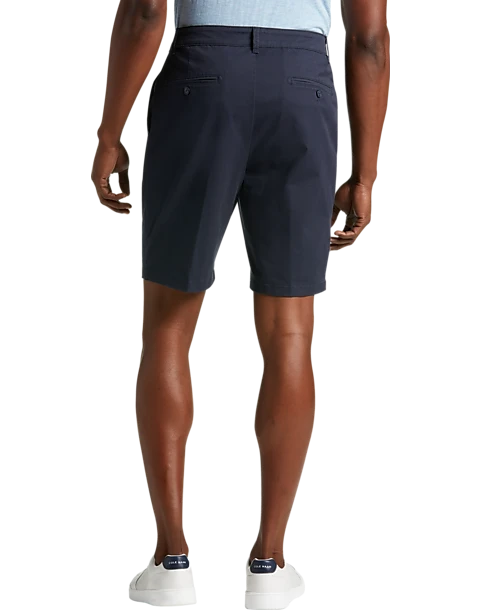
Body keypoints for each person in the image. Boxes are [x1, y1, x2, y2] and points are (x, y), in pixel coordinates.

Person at [91, 0, 390, 607]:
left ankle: (172, 558)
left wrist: (108, 130)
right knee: (290, 332)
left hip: (203, 82)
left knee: (169, 323)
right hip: (302, 86)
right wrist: (365, 173)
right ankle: (270, 563)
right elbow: (369, 40)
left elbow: (146, 11)